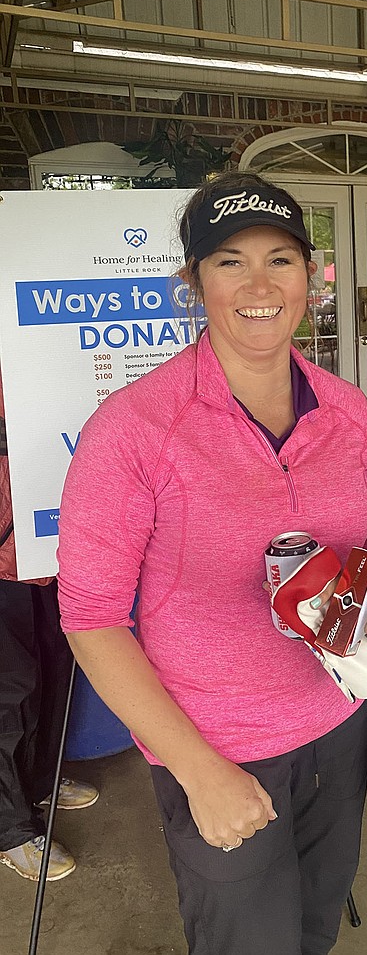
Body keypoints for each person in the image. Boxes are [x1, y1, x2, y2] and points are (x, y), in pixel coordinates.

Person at [56, 172, 367, 955]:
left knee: (313, 929)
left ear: (312, 275)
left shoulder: (349, 412)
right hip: (219, 742)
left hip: (340, 723)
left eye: (281, 259)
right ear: (194, 282)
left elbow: (363, 563)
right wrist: (200, 772)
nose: (260, 284)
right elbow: (92, 619)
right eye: (230, 261)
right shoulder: (135, 428)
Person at [0, 370, 98, 883]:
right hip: (4, 539)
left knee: (57, 662)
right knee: (7, 686)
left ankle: (40, 778)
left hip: (45, 540)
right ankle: (10, 828)